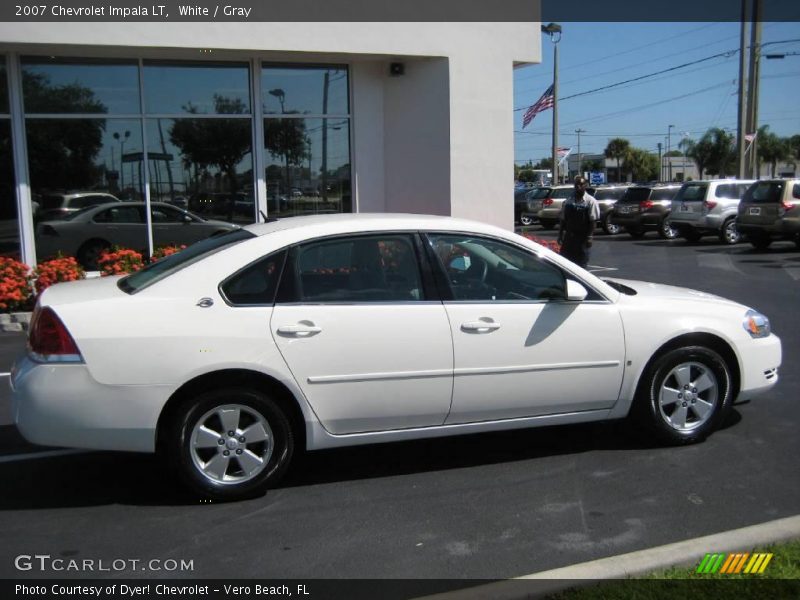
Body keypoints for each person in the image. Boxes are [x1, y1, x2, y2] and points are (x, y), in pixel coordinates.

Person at [557, 176, 600, 268]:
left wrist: (590, 237)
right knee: (565, 264)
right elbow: (563, 219)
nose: (578, 187)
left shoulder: (591, 202)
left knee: (581, 264)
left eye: (581, 184)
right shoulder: (568, 201)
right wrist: (560, 235)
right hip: (569, 238)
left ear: (585, 185)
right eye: (576, 185)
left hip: (582, 238)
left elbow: (593, 221)